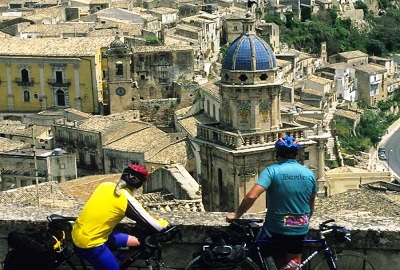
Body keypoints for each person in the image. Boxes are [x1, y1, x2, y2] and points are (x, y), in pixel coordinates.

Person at [226, 135, 317, 268]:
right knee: (292, 265)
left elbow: (251, 196)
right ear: (296, 155)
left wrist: (236, 215)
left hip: (276, 228)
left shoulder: (272, 171)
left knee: (258, 258)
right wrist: (305, 219)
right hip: (300, 226)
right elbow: (312, 201)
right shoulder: (308, 173)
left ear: (277, 154)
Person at [72, 164, 168, 270]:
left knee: (137, 242)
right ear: (139, 184)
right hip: (91, 244)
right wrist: (164, 223)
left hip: (77, 235)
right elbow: (157, 227)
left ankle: (118, 259)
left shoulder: (104, 185)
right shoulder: (125, 198)